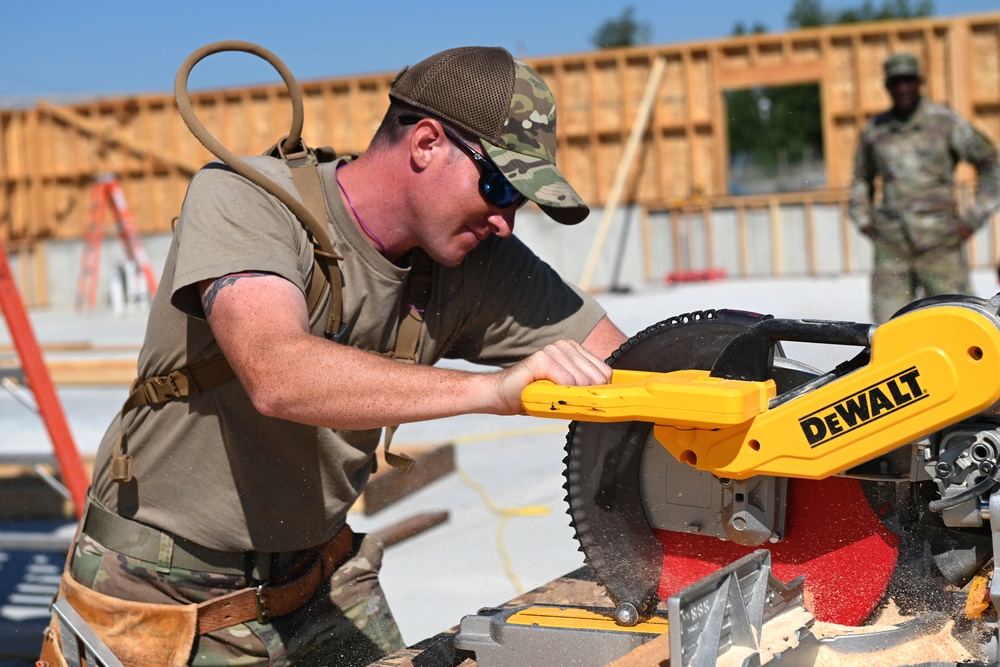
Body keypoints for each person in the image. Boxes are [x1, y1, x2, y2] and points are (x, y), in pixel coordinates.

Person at [40, 46, 628, 666]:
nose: (507, 219)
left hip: (318, 575)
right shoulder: (248, 201)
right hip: (165, 594)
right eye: (499, 187)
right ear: (426, 144)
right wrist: (492, 391)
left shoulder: (475, 260)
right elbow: (279, 373)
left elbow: (639, 362)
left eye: (519, 200)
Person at [848, 52, 1000, 324]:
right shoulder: (875, 131)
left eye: (908, 80)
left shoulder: (945, 123)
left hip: (939, 245)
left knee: (958, 323)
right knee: (888, 328)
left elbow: (991, 166)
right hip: (892, 248)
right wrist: (865, 220)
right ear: (887, 86)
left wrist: (972, 218)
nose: (902, 88)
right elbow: (861, 177)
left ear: (920, 82)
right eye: (896, 82)